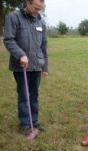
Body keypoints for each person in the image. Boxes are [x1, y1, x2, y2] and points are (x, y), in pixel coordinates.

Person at [3, 0, 48, 137]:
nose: (37, 12)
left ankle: (34, 122)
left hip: (36, 66)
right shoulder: (13, 17)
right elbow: (8, 39)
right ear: (27, 4)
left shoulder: (41, 22)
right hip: (21, 66)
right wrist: (20, 54)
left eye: (40, 9)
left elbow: (43, 46)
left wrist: (45, 66)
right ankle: (25, 124)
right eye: (35, 8)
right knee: (24, 95)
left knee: (34, 95)